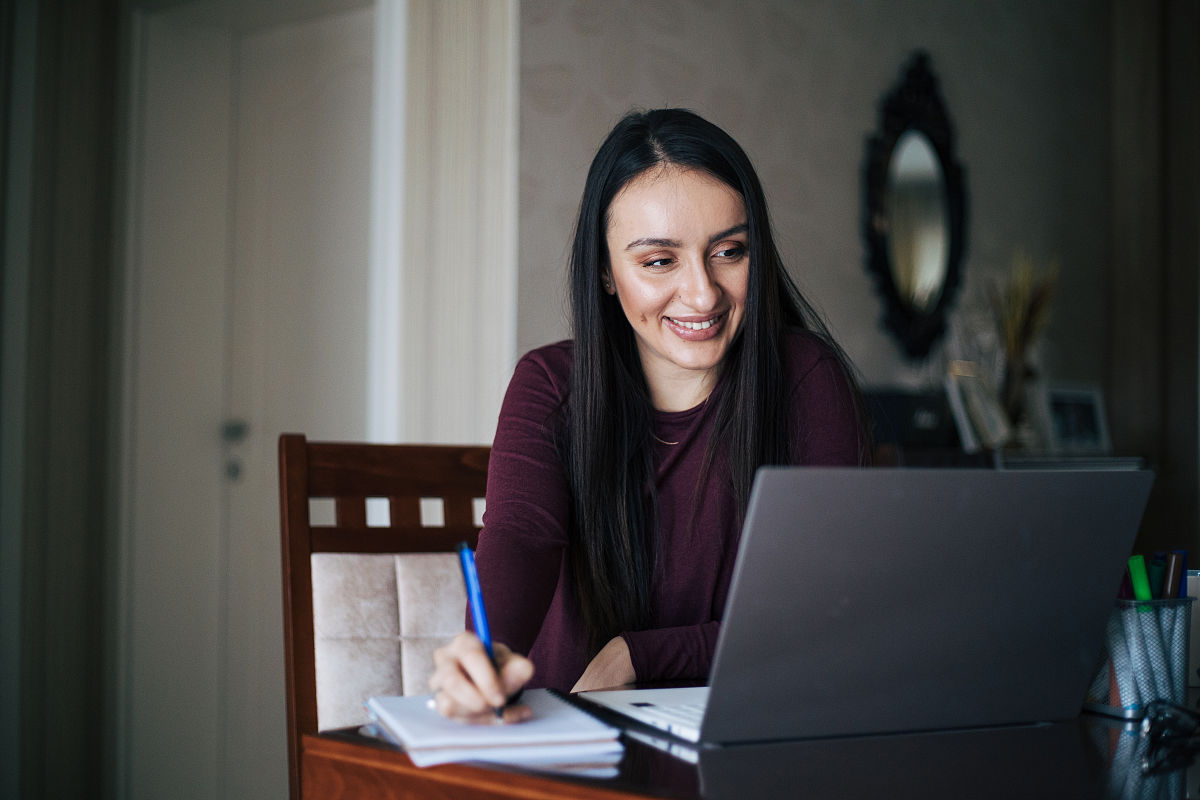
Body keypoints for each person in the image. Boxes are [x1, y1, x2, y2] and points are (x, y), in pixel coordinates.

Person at [430, 108, 867, 723]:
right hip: (571, 738)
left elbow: (828, 611)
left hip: (748, 738)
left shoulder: (806, 379)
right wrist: (487, 651)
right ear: (607, 272)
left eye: (729, 251)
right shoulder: (552, 385)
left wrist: (641, 656)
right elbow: (522, 537)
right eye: (659, 261)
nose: (703, 293)